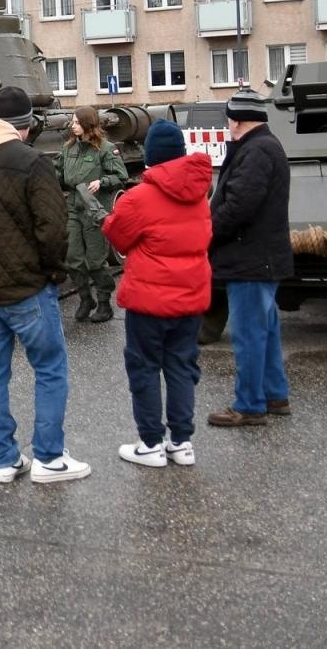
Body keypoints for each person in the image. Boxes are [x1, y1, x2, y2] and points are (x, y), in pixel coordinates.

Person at [0, 86, 89, 485]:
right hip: (27, 288)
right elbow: (53, 227)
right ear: (25, 125)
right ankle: (49, 458)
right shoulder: (32, 162)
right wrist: (53, 271)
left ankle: (5, 460)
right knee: (50, 369)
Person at [102, 121, 213, 468]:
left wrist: (106, 220)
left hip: (148, 301)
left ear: (150, 156)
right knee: (181, 366)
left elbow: (119, 237)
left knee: (145, 368)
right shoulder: (199, 195)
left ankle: (151, 443)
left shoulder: (138, 198)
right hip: (190, 297)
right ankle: (182, 442)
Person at [206, 90, 294, 428]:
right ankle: (275, 395)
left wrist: (206, 232)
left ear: (237, 120)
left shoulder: (256, 150)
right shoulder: (264, 146)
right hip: (261, 257)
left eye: (229, 118)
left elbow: (239, 206)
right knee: (265, 333)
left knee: (249, 336)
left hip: (249, 259)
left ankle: (249, 405)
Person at [59, 105, 126, 324]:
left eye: (77, 122)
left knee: (96, 260)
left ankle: (104, 302)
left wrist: (102, 181)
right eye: (72, 122)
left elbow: (121, 176)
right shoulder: (68, 149)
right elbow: (59, 173)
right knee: (73, 258)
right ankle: (85, 298)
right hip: (73, 206)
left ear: (88, 124)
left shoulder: (105, 149)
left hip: (94, 208)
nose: (73, 125)